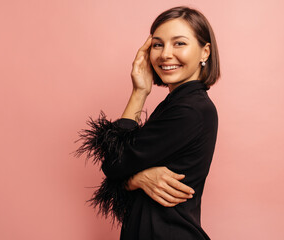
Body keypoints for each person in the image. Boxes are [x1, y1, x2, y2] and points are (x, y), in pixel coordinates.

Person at [76, 5, 220, 240]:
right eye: (158, 44)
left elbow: (114, 164)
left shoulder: (189, 109)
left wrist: (138, 94)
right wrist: (141, 88)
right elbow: (120, 165)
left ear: (205, 52)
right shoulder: (179, 103)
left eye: (179, 43)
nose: (165, 54)